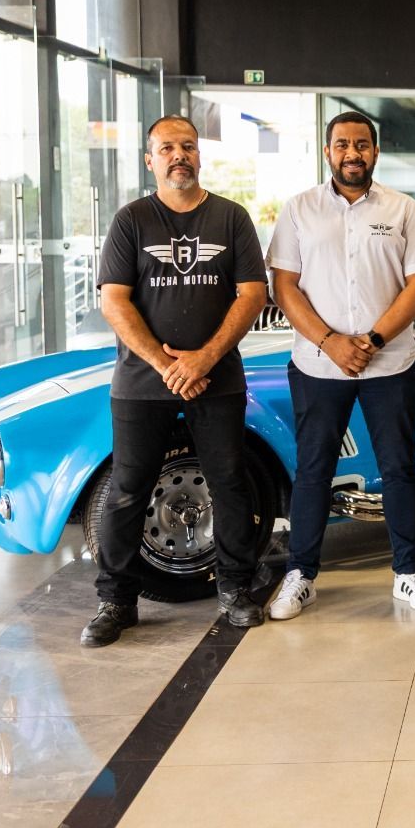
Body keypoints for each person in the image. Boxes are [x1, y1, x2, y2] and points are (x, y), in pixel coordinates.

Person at [84, 115, 267, 646]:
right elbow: (113, 300)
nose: (178, 155)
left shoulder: (231, 218)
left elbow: (251, 294)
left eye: (187, 146)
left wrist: (203, 360)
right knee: (126, 490)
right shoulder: (131, 221)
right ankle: (116, 601)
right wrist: (169, 366)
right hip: (142, 382)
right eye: (167, 148)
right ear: (151, 160)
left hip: (219, 378)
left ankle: (234, 587)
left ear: (199, 156)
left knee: (229, 483)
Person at [265, 112, 415, 620]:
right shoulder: (300, 210)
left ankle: (408, 573)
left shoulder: (402, 209)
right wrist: (331, 342)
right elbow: (284, 286)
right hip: (318, 366)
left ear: (375, 152)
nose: (352, 153)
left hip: (390, 364)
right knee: (314, 470)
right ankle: (301, 575)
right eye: (342, 144)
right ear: (328, 152)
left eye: (362, 144)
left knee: (399, 468)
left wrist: (373, 338)